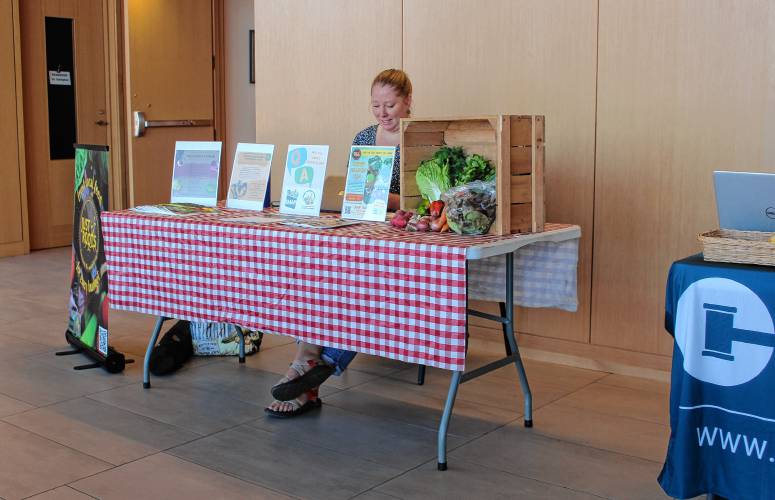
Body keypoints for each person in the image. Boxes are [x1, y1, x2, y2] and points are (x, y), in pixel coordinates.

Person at [265, 68, 412, 417]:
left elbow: (424, 199)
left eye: (390, 105)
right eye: (376, 105)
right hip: (361, 228)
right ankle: (309, 364)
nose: (382, 113)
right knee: (322, 272)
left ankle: (307, 366)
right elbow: (353, 188)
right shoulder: (363, 137)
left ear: (408, 102)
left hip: (403, 235)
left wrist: (385, 200)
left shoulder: (422, 137)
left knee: (359, 285)